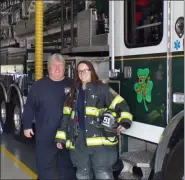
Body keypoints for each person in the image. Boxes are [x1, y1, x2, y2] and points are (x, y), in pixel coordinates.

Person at [55, 60, 133, 180]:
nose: (82, 73)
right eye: (79, 71)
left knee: (103, 174)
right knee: (82, 174)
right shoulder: (73, 93)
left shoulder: (103, 89)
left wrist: (125, 122)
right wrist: (61, 137)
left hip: (101, 144)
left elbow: (122, 105)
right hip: (79, 142)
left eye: (85, 70)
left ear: (91, 71)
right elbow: (66, 117)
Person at [22, 54, 76, 180]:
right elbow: (30, 106)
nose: (57, 69)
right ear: (48, 68)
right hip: (46, 133)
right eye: (54, 66)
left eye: (60, 66)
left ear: (65, 67)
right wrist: (27, 125)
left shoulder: (73, 84)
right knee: (45, 167)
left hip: (67, 133)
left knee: (68, 167)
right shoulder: (38, 86)